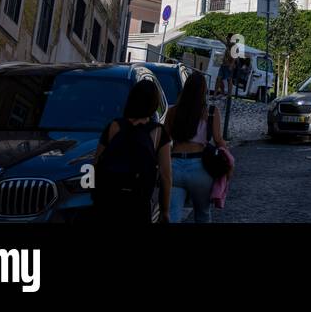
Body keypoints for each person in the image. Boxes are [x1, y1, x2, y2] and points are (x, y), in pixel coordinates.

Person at [93, 79, 171, 222]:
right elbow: (166, 176)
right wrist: (165, 210)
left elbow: (96, 163)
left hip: (110, 201)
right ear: (154, 103)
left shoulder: (114, 126)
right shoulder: (158, 132)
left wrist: (94, 195)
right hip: (139, 203)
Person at [165, 72, 230, 222]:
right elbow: (218, 140)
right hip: (200, 167)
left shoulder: (172, 111)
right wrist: (227, 159)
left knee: (173, 216)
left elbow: (165, 141)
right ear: (204, 90)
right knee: (202, 214)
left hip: (175, 166)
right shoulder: (211, 112)